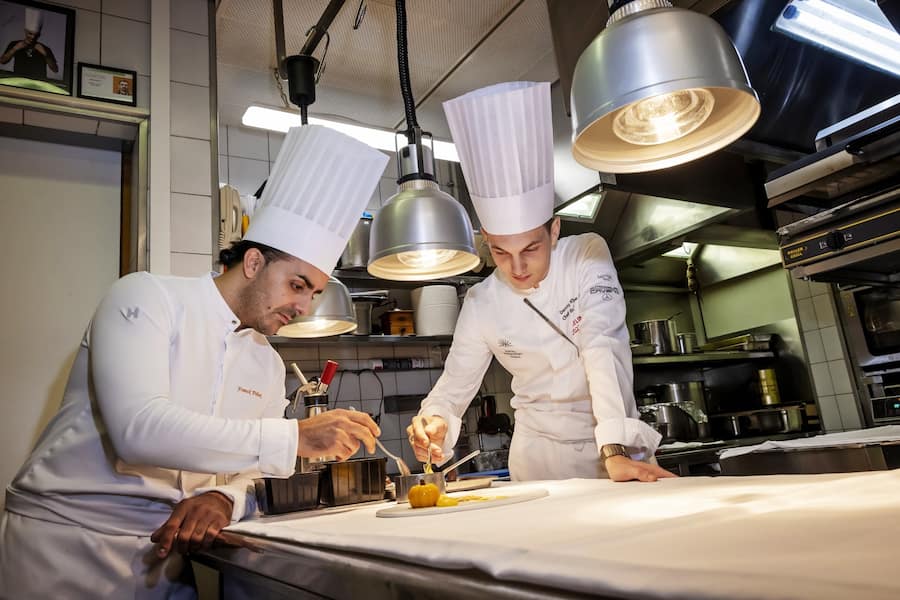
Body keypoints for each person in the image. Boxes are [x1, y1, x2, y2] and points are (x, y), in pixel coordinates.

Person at [0, 124, 389, 598]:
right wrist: (297, 435)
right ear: (252, 263)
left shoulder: (266, 363)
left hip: (166, 558)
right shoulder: (146, 297)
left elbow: (256, 470)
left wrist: (223, 496)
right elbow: (138, 430)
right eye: (297, 285)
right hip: (63, 548)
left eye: (314, 293)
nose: (304, 307)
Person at [406, 82, 675, 483]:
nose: (516, 268)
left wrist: (615, 448)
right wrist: (434, 421)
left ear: (554, 231)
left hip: (614, 445)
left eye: (530, 248)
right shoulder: (482, 302)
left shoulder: (586, 253)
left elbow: (602, 344)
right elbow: (454, 384)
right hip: (537, 459)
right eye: (499, 252)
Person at [0, 8, 58, 79]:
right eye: (30, 34)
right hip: (18, 82)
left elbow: (55, 69)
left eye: (36, 35)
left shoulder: (45, 48)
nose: (33, 37)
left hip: (38, 84)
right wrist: (14, 49)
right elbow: (2, 61)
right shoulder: (14, 44)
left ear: (39, 35)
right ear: (25, 31)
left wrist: (45, 54)